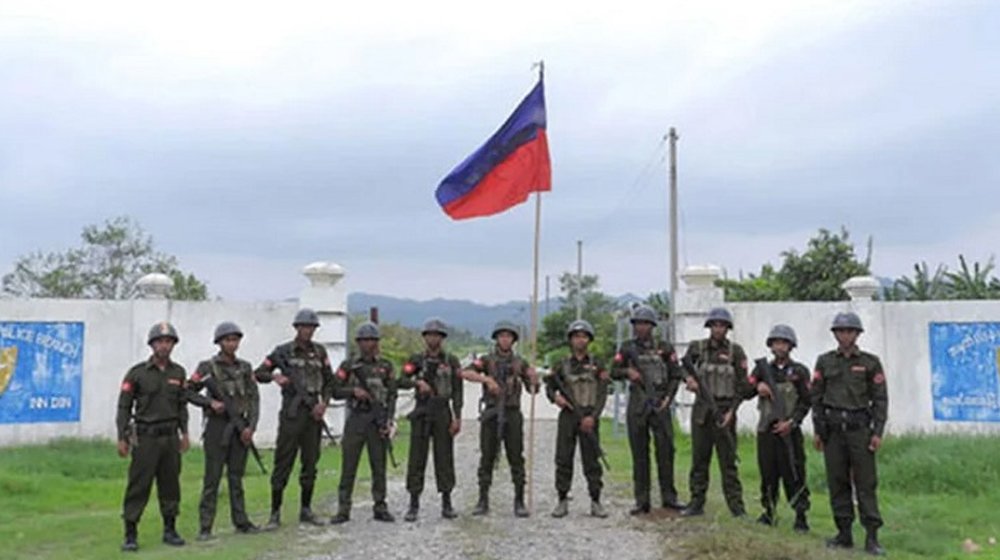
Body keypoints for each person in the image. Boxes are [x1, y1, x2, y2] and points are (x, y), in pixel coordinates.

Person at [812, 312, 888, 556]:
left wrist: (877, 431)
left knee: (865, 483)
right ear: (835, 334)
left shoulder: (870, 362)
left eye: (849, 331)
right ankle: (844, 533)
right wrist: (818, 431)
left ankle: (872, 536)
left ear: (857, 334)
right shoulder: (824, 362)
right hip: (833, 431)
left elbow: (880, 399)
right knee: (837, 481)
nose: (845, 335)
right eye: (841, 331)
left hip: (860, 430)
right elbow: (816, 398)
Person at [254, 308, 335, 529]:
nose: (307, 331)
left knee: (310, 463)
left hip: (313, 416)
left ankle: (306, 510)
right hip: (291, 415)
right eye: (304, 327)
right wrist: (275, 376)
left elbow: (330, 382)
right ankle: (274, 513)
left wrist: (323, 404)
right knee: (283, 462)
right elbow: (258, 373)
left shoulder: (320, 352)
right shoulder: (283, 352)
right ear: (296, 328)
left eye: (311, 327)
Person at [116, 322, 190, 551]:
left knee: (170, 485)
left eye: (169, 341)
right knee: (139, 485)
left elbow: (181, 406)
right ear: (152, 344)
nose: (164, 346)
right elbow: (124, 407)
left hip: (170, 437)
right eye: (160, 341)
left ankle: (170, 529)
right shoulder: (137, 373)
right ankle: (130, 533)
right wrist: (122, 436)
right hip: (146, 438)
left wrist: (185, 433)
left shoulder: (178, 372)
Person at [186, 321, 261, 540]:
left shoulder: (245, 367)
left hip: (240, 426)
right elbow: (188, 391)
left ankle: (241, 521)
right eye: (227, 340)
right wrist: (209, 404)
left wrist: (251, 427)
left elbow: (254, 398)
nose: (232, 343)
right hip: (217, 427)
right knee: (213, 478)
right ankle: (205, 527)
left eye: (235, 339)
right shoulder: (207, 367)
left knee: (236, 478)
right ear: (219, 342)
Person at [611, 304, 685, 514]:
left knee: (666, 452)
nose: (640, 328)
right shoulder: (627, 348)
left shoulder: (665, 347)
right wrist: (628, 372)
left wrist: (668, 399)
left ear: (652, 326)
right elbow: (613, 371)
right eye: (637, 324)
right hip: (638, 405)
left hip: (660, 403)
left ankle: (669, 498)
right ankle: (641, 500)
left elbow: (675, 375)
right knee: (639, 454)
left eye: (645, 324)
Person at [462, 320, 539, 517]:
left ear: (513, 340)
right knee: (487, 456)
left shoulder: (520, 362)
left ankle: (519, 500)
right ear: (496, 338)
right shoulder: (487, 360)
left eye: (508, 336)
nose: (505, 339)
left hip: (513, 413)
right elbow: (466, 372)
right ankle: (482, 499)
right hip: (492, 412)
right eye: (501, 336)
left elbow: (533, 390)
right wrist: (487, 379)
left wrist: (533, 378)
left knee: (516, 457)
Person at [680, 307, 752, 518]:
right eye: (715, 325)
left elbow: (742, 385)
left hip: (725, 412)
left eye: (722, 325)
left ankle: (737, 509)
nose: (718, 329)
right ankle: (696, 503)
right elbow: (682, 367)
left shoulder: (735, 352)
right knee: (699, 461)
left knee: (728, 463)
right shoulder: (697, 348)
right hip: (702, 412)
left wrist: (732, 411)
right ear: (709, 327)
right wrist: (689, 379)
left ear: (727, 328)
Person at [329, 321, 398, 524]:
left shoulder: (385, 366)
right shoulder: (348, 366)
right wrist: (353, 392)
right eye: (364, 340)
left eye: (372, 340)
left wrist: (388, 420)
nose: (369, 344)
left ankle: (380, 505)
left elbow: (392, 394)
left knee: (379, 465)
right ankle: (343, 508)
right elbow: (334, 391)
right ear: (358, 342)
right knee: (349, 466)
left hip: (377, 420)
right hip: (356, 419)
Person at [746, 324, 811, 531]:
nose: (779, 347)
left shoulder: (799, 371)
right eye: (776, 343)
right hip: (767, 430)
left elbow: (806, 402)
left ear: (791, 346)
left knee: (795, 471)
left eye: (783, 343)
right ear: (770, 346)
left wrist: (791, 423)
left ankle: (800, 516)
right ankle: (769, 512)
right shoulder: (762, 369)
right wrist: (758, 386)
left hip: (790, 431)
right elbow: (746, 389)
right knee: (768, 473)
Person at [399, 318, 464, 521]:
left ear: (442, 338)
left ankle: (446, 502)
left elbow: (458, 391)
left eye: (437, 335)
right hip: (422, 410)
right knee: (417, 457)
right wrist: (417, 383)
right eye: (429, 335)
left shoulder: (451, 361)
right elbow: (401, 380)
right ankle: (413, 503)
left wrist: (458, 417)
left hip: (442, 411)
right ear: (425, 337)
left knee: (444, 457)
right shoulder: (417, 359)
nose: (433, 338)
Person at [545, 319, 610, 518]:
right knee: (564, 458)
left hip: (590, 415)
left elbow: (602, 392)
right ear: (570, 340)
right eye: (576, 336)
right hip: (568, 417)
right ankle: (562, 499)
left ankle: (596, 500)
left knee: (592, 460)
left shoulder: (597, 364)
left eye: (583, 336)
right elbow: (549, 386)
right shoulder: (562, 364)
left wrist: (594, 416)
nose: (580, 340)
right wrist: (555, 398)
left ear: (589, 340)